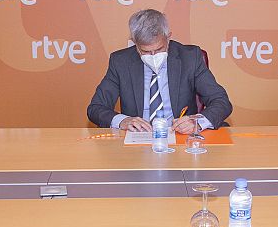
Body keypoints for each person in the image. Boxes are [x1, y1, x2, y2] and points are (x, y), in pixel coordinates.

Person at [87, 9, 232, 134]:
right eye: (145, 51)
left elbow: (221, 101)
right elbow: (96, 108)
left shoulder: (190, 57)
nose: (153, 56)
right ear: (134, 43)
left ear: (168, 37)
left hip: (180, 137)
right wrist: (123, 121)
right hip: (137, 141)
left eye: (159, 49)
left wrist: (197, 122)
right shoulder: (120, 62)